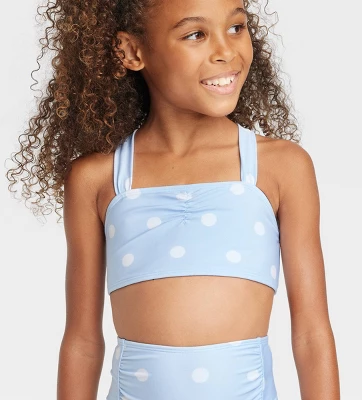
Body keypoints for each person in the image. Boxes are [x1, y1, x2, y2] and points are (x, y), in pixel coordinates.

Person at [5, 0, 340, 399]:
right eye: (196, 34)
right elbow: (82, 342)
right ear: (133, 51)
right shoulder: (97, 179)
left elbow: (311, 335)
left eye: (236, 27)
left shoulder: (281, 167)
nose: (226, 51)